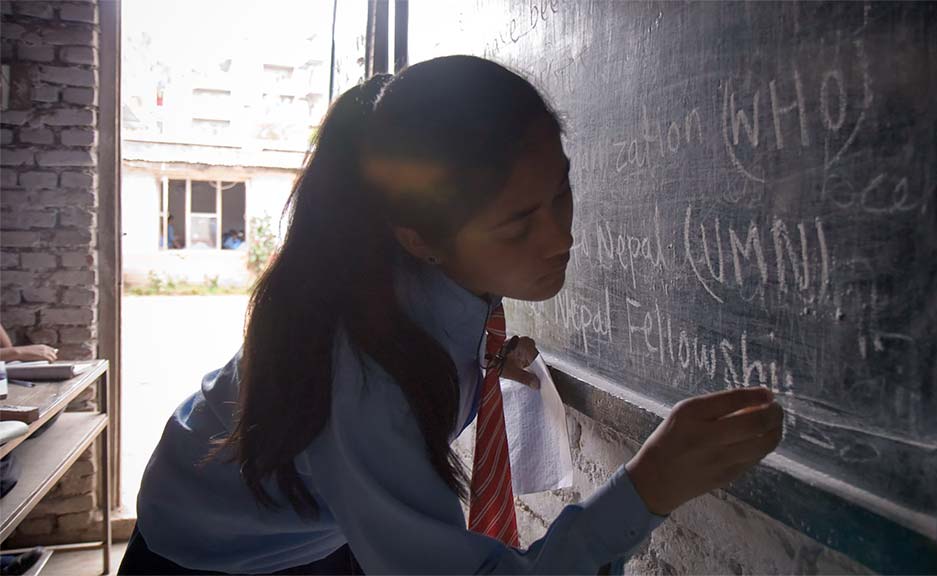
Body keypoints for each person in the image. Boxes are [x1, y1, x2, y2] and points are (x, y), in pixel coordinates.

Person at [119, 56, 783, 575]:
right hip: (214, 556)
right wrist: (649, 486)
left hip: (321, 529)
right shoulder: (366, 379)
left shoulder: (427, 278)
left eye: (562, 192)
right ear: (420, 239)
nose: (561, 238)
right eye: (519, 221)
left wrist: (487, 358)